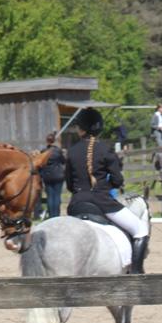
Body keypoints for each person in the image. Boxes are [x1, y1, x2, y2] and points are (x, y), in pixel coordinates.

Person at [65, 107, 149, 273]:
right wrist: (106, 187)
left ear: (80, 129)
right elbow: (118, 180)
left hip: (76, 204)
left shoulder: (72, 151)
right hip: (102, 202)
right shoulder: (105, 149)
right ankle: (137, 275)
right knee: (141, 230)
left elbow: (69, 185)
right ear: (98, 129)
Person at [38, 131, 66, 219]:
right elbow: (63, 161)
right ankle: (56, 215)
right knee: (57, 196)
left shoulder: (43, 151)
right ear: (54, 141)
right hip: (58, 175)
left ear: (47, 141)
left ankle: (51, 216)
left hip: (47, 176)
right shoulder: (58, 150)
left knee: (50, 196)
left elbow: (41, 164)